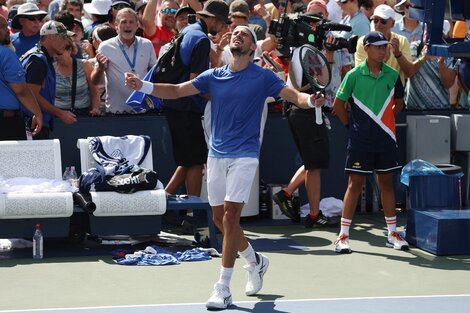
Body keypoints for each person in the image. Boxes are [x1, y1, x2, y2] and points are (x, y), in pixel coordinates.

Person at [125, 24, 326, 310]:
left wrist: (310, 100)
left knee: (231, 217)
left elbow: (294, 96)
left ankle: (223, 287)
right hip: (216, 155)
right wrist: (142, 86)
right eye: (234, 33)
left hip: (245, 155)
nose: (237, 35)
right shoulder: (214, 76)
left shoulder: (263, 77)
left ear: (253, 47)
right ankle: (256, 261)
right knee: (221, 221)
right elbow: (178, 90)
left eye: (244, 33)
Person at [273, 0, 351, 228]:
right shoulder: (305, 50)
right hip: (307, 109)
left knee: (312, 162)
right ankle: (314, 215)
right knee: (314, 165)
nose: (318, 27)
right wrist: (328, 52)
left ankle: (287, 194)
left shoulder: (304, 48)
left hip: (306, 109)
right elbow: (321, 81)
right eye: (313, 22)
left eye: (321, 21)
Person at [332, 31, 408, 254]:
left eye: (385, 46)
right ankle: (343, 235)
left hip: (385, 138)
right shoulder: (354, 75)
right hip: (360, 141)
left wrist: (385, 121)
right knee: (354, 185)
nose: (383, 50)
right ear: (366, 49)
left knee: (387, 183)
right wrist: (353, 128)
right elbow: (338, 106)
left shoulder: (393, 75)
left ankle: (393, 232)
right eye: (378, 47)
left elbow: (399, 104)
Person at [160, 0, 231, 231]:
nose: (221, 29)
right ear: (212, 19)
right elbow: (197, 82)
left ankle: (162, 203)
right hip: (185, 106)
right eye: (221, 23)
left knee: (188, 160)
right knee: (193, 160)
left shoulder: (189, 31)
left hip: (176, 105)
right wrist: (220, 97)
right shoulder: (199, 38)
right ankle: (190, 214)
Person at [90, 8, 156, 114]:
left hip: (143, 109)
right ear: (116, 25)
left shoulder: (147, 44)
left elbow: (154, 74)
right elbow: (94, 81)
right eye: (124, 22)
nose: (128, 25)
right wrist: (100, 68)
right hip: (116, 111)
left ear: (137, 25)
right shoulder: (105, 46)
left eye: (131, 22)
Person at [21, 20, 77, 139]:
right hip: (32, 125)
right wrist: (60, 113)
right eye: (63, 37)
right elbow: (32, 95)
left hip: (34, 123)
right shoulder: (38, 60)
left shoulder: (42, 58)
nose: (67, 42)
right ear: (50, 37)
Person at [0, 15, 42, 140]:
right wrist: (37, 113)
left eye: (6, 25)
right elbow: (21, 90)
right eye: (1, 27)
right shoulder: (5, 54)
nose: (7, 29)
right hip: (6, 124)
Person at [355, 4, 414, 85]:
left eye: (383, 21)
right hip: (370, 92)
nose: (378, 24)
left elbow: (409, 73)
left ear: (393, 23)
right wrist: (383, 60)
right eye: (375, 20)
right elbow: (361, 73)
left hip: (395, 93)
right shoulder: (363, 41)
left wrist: (398, 54)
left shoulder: (402, 41)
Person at [54, 38, 101, 116]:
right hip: (59, 115)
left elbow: (94, 91)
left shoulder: (84, 65)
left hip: (82, 114)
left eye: (59, 53)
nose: (56, 56)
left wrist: (95, 109)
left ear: (69, 50)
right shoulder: (51, 68)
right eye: (54, 53)